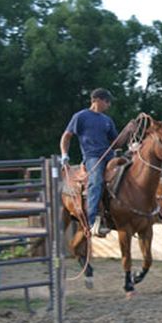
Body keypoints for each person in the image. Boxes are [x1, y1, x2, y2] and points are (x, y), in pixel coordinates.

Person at [60, 88, 118, 237]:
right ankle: (91, 222)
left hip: (109, 155)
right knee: (96, 180)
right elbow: (66, 137)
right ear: (97, 100)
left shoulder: (107, 120)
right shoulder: (81, 116)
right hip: (92, 157)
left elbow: (116, 143)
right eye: (107, 101)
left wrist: (130, 131)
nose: (108, 105)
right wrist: (65, 155)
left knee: (131, 171)